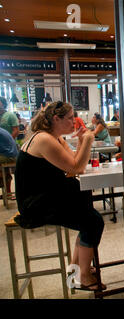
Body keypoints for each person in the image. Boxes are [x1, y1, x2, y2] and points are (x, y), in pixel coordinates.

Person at [14, 101, 105, 291]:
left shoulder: (54, 137)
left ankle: (75, 273)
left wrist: (81, 141)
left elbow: (73, 164)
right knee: (92, 221)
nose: (75, 122)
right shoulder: (43, 139)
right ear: (56, 119)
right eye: (70, 118)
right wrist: (88, 140)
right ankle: (84, 275)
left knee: (87, 215)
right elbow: (77, 167)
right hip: (35, 204)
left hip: (47, 196)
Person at [0, 127, 18, 196]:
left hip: (9, 156)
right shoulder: (2, 130)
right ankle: (8, 192)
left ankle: (3, 181)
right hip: (11, 155)